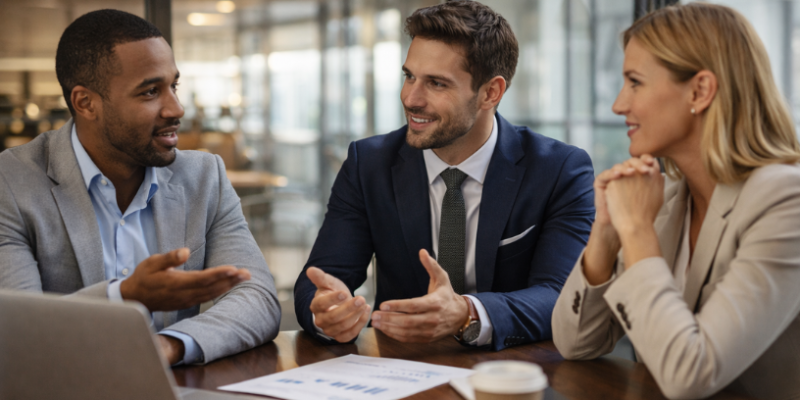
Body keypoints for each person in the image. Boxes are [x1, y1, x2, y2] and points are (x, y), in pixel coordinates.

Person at [294, 1, 595, 350]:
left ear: (490, 93)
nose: (411, 98)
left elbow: (560, 297)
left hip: (514, 371)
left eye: (436, 83)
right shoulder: (368, 164)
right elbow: (319, 280)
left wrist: (468, 313)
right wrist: (326, 313)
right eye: (409, 76)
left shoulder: (559, 170)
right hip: (400, 368)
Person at [0, 10, 281, 365]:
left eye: (173, 86)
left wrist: (169, 346)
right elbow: (14, 331)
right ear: (86, 103)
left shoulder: (203, 176)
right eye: (150, 92)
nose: (176, 108)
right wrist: (125, 296)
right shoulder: (10, 181)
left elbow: (258, 298)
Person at [551, 3, 800, 399]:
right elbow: (575, 344)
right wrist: (606, 235)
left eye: (635, 82)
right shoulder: (664, 197)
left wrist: (636, 231)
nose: (618, 104)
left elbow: (690, 375)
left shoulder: (786, 200)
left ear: (700, 91)